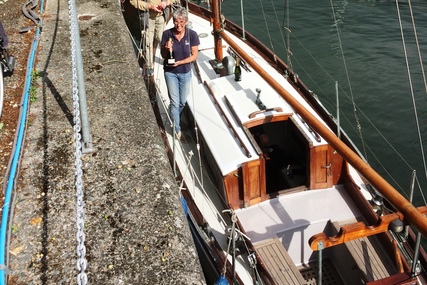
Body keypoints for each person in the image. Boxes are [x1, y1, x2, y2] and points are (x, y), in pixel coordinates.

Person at [160, 8, 199, 142]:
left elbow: (194, 55)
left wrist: (180, 62)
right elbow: (163, 55)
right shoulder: (167, 34)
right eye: (176, 21)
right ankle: (177, 130)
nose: (178, 24)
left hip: (185, 72)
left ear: (186, 22)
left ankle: (175, 115)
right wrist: (166, 48)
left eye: (181, 21)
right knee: (175, 102)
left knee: (182, 101)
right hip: (170, 73)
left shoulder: (192, 35)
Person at [129, 0, 176, 75]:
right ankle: (149, 67)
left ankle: (167, 59)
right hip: (148, 18)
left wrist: (167, 2)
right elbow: (133, 1)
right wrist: (149, 6)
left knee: (163, 41)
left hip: (161, 17)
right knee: (148, 43)